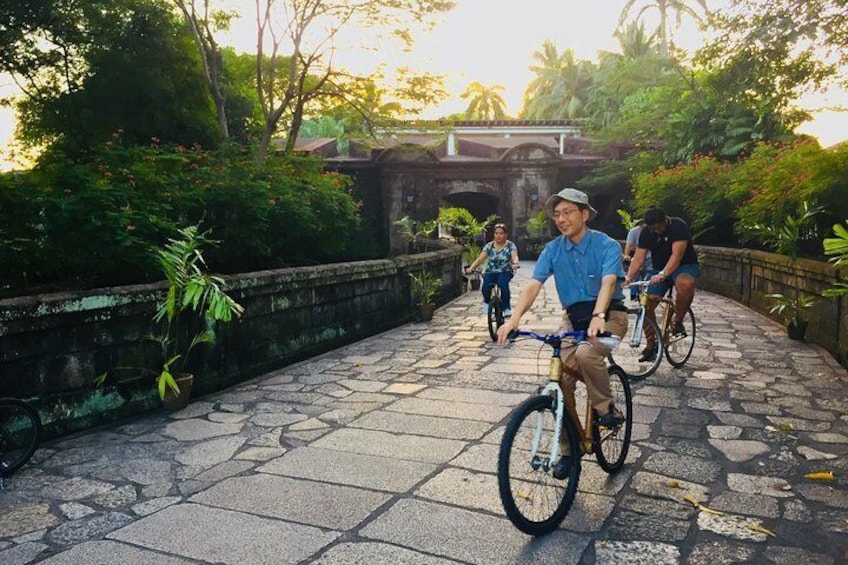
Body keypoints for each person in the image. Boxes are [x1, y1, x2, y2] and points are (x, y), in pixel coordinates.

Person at [496, 188, 628, 480]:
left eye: (567, 212)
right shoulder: (553, 249)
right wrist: (513, 320)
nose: (561, 219)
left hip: (611, 316)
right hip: (573, 320)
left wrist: (598, 316)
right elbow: (533, 285)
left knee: (586, 352)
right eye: (556, 214)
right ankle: (571, 449)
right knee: (560, 378)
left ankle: (607, 410)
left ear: (584, 214)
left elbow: (608, 283)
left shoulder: (606, 245)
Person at [624, 207, 700, 362]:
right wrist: (629, 278)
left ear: (666, 220)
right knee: (646, 302)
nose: (658, 231)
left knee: (685, 284)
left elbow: (676, 256)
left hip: (683, 266)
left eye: (660, 227)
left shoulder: (678, 226)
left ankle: (677, 321)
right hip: (658, 267)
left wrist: (663, 274)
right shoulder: (646, 233)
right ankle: (651, 344)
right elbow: (638, 258)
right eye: (654, 229)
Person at [465, 223, 520, 315]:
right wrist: (471, 268)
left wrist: (515, 263)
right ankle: (487, 302)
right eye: (496, 233)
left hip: (505, 271)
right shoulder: (489, 246)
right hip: (490, 271)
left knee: (503, 285)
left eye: (501, 233)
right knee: (486, 287)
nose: (498, 236)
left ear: (506, 235)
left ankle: (506, 308)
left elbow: (514, 256)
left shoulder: (510, 245)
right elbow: (480, 259)